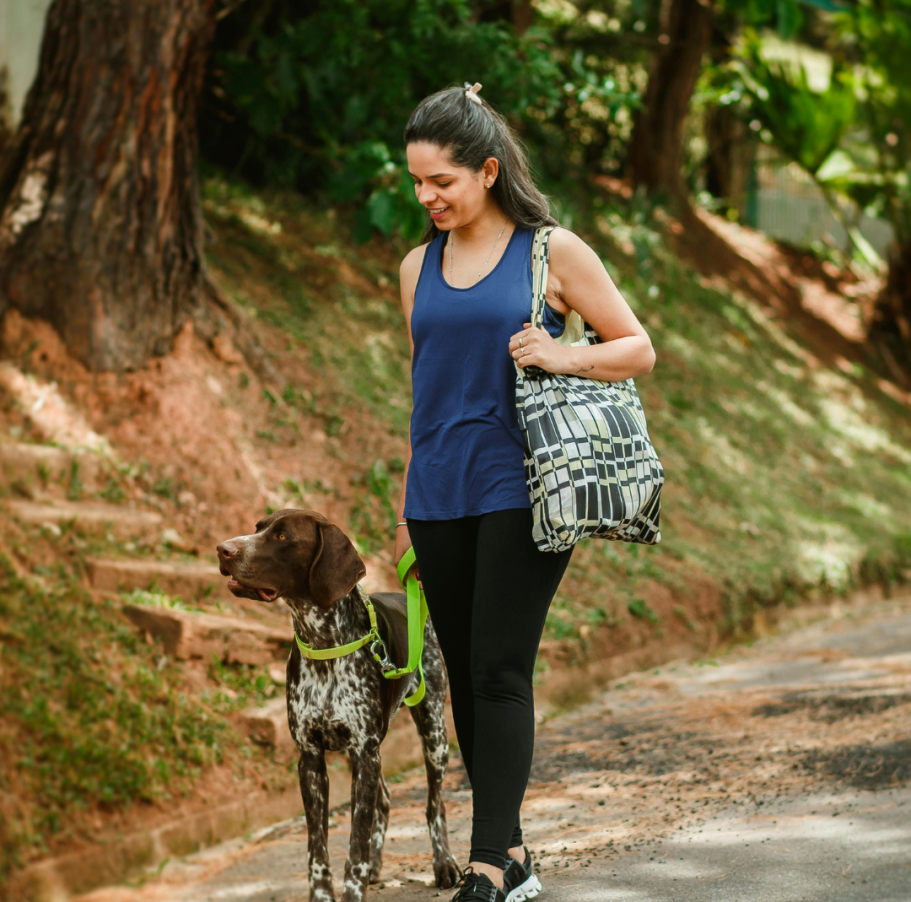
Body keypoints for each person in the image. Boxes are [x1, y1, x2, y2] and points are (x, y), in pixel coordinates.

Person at [393, 82, 656, 902]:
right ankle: (508, 851)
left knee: (499, 667)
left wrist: (561, 353)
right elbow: (426, 389)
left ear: (487, 170)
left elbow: (636, 347)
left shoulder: (552, 252)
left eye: (441, 181)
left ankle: (484, 869)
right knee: (465, 674)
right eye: (416, 182)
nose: (427, 196)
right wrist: (406, 505)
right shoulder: (415, 267)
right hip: (437, 490)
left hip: (524, 482)